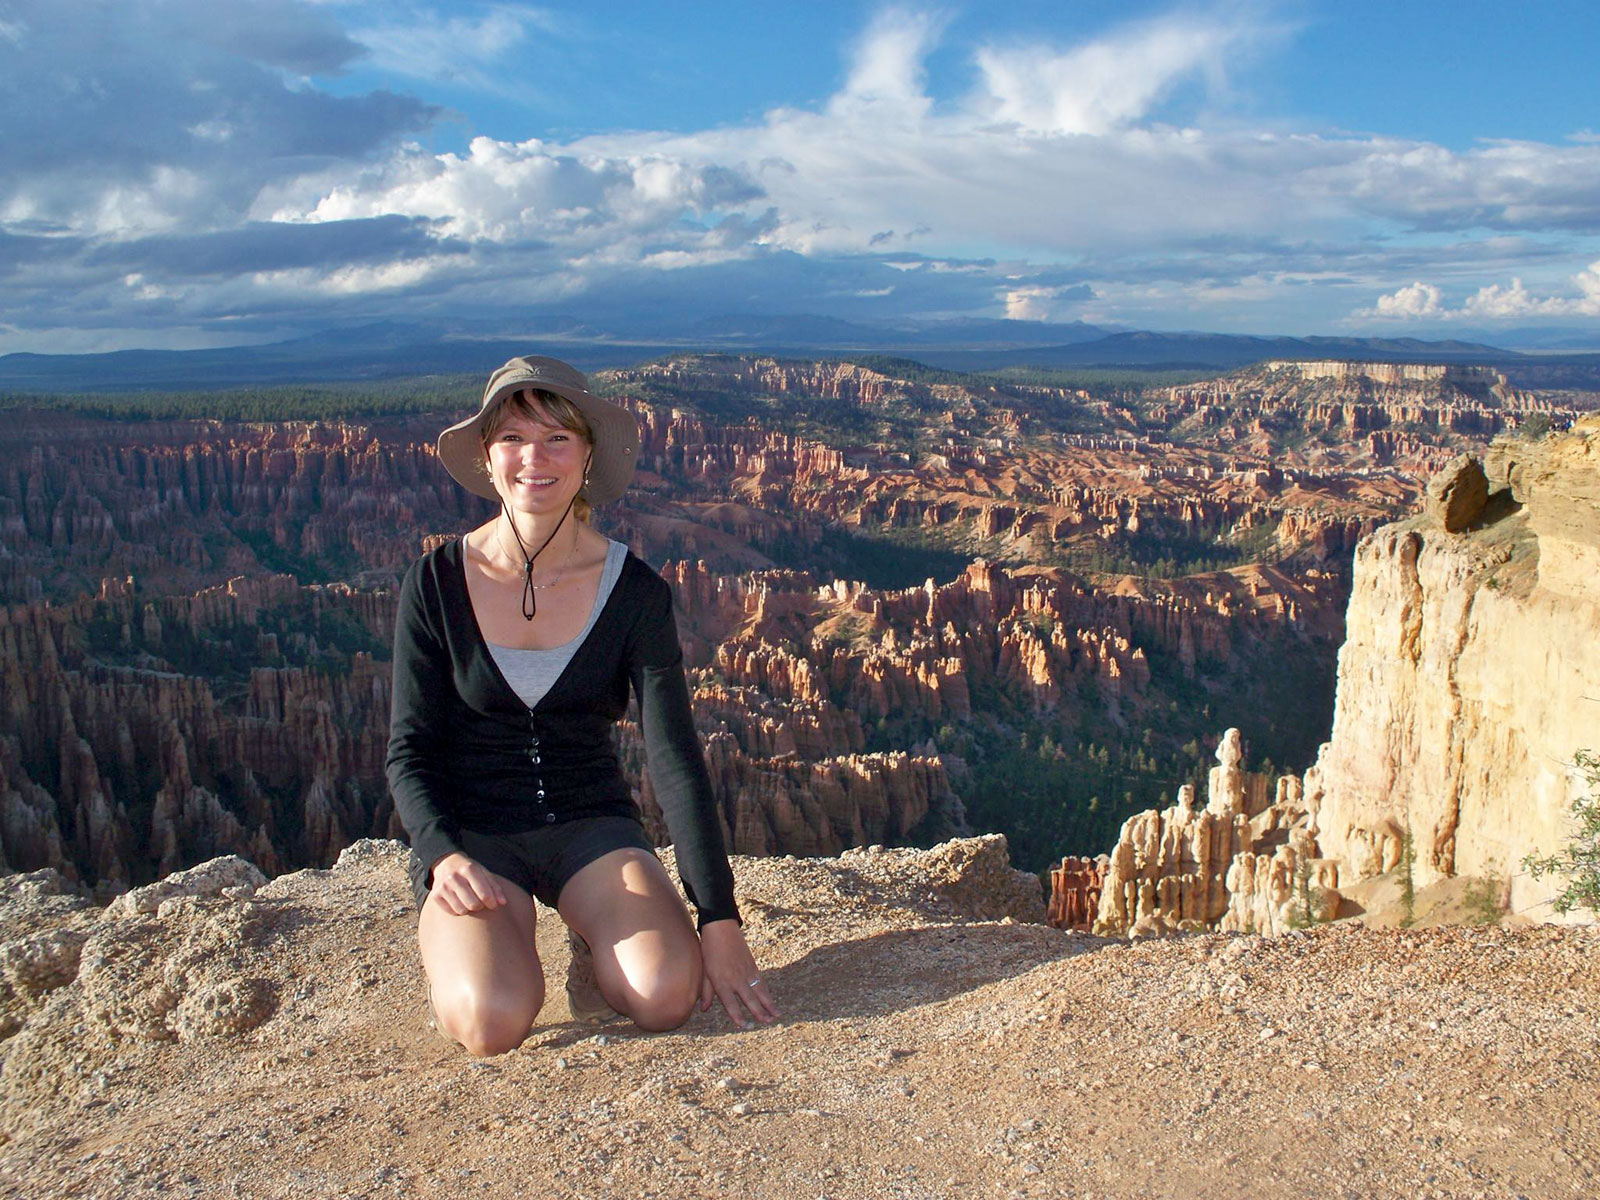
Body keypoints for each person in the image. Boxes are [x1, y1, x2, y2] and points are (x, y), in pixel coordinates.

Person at [386, 355, 778, 1056]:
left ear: (588, 453)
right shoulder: (435, 583)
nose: (534, 458)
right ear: (487, 454)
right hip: (473, 841)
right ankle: (490, 945)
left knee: (664, 999)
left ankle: (586, 937)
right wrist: (441, 855)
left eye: (557, 438)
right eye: (512, 437)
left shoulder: (634, 592)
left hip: (590, 828)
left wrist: (719, 920)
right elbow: (408, 748)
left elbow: (675, 760)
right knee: (491, 1023)